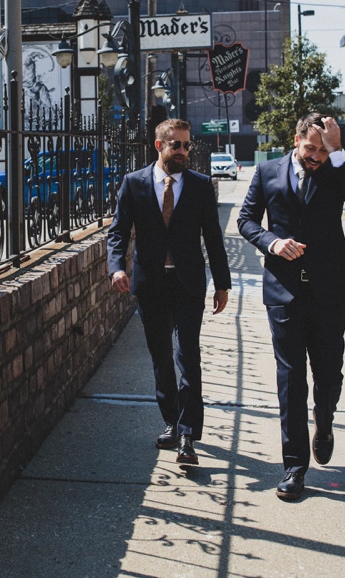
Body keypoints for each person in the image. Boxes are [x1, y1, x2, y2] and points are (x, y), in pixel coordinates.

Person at [237, 113, 345, 500]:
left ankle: (324, 420)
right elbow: (246, 220)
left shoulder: (334, 169)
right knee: (291, 379)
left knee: (329, 374)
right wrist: (271, 242)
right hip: (284, 292)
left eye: (321, 149)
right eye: (310, 148)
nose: (315, 156)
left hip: (329, 291)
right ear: (296, 141)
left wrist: (337, 151)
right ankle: (294, 467)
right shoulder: (267, 172)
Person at [108, 118, 231, 466]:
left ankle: (188, 433)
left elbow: (213, 238)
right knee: (161, 356)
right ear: (159, 146)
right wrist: (117, 267)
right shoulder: (134, 184)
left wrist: (222, 283)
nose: (183, 151)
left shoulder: (200, 185)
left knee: (187, 354)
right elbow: (118, 232)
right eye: (176, 144)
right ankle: (171, 421)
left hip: (188, 282)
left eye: (187, 145)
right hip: (151, 284)